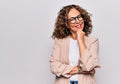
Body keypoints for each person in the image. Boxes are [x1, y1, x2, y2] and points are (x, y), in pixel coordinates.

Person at [49, 4, 100, 84]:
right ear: (67, 24)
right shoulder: (59, 41)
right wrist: (81, 70)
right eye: (72, 19)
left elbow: (88, 66)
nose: (77, 21)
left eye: (79, 17)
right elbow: (54, 67)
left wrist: (80, 39)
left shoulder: (93, 41)